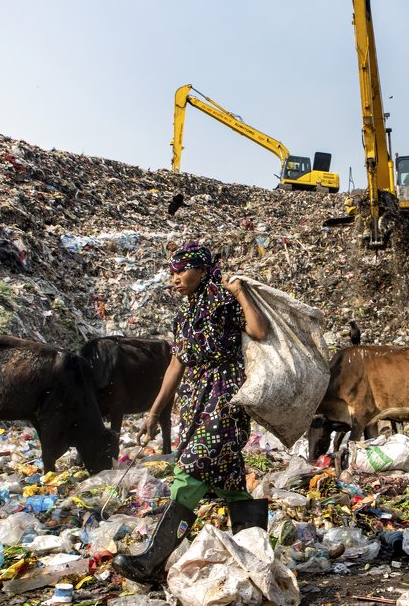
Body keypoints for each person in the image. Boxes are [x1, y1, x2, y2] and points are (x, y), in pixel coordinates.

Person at [113, 241, 270, 583]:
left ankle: (152, 562)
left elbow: (259, 331)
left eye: (182, 270)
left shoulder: (224, 302)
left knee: (191, 469)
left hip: (224, 396)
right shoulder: (184, 314)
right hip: (195, 400)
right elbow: (176, 364)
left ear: (201, 270)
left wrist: (240, 292)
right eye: (173, 272)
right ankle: (258, 559)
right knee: (230, 484)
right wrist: (155, 412)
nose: (175, 278)